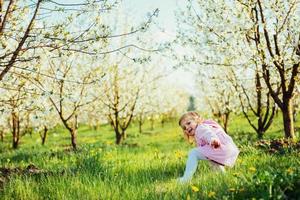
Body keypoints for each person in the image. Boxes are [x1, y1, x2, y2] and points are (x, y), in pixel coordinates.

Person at [178, 111, 239, 183]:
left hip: (219, 146)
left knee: (193, 153)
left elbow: (208, 133)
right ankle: (223, 179)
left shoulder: (200, 128)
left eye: (188, 123)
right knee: (213, 160)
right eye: (184, 128)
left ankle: (186, 179)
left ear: (196, 120)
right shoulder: (203, 127)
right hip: (225, 148)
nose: (187, 127)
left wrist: (213, 140)